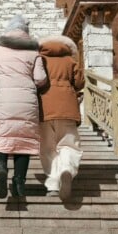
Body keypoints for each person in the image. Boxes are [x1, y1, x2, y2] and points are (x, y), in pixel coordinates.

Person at [0, 15, 47, 199]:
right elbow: (40, 79)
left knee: (0, 136)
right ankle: (19, 181)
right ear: (26, 32)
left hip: (3, 99)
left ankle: (1, 168)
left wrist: (0, 80)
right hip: (27, 100)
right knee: (23, 141)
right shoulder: (35, 52)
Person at [37, 35, 84, 200]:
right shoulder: (70, 61)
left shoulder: (39, 60)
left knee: (48, 148)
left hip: (45, 109)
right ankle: (67, 170)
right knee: (69, 145)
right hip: (67, 108)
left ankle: (52, 185)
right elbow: (80, 83)